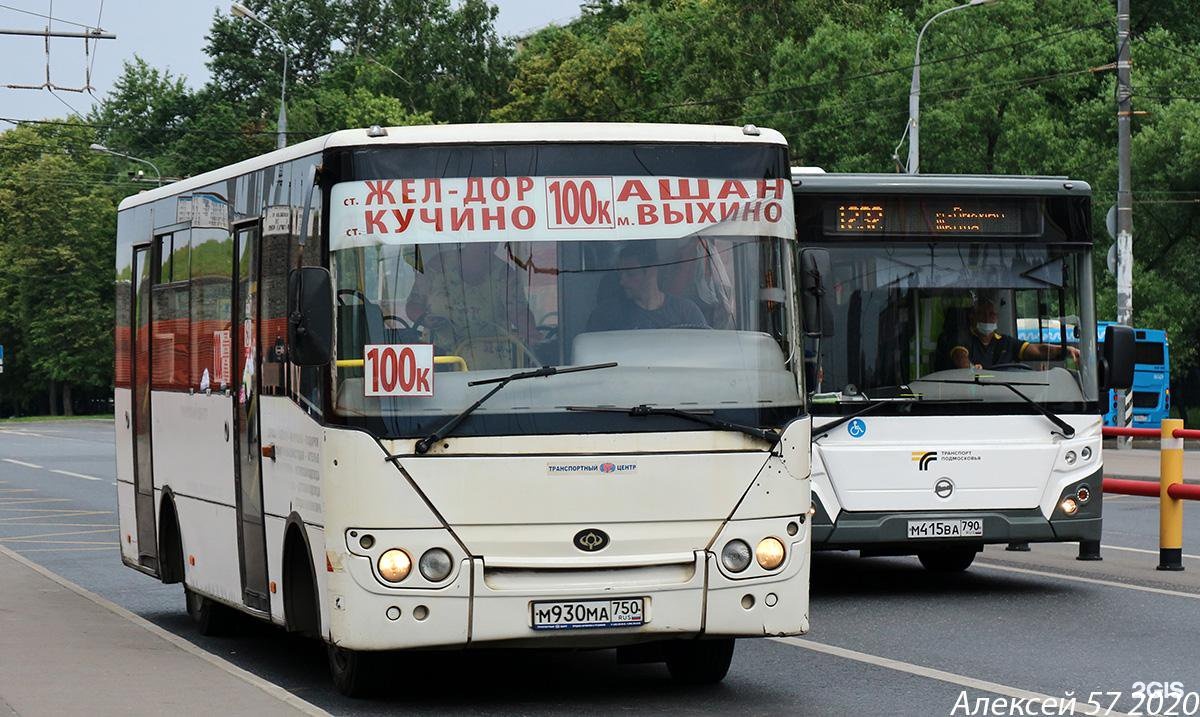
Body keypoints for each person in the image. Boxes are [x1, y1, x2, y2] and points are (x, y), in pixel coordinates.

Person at [406, 242, 536, 370]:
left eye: (492, 240)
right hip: (439, 364)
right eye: (481, 240)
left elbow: (520, 313)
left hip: (491, 371)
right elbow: (413, 305)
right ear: (468, 239)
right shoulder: (438, 265)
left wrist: (532, 335)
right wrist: (425, 319)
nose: (487, 244)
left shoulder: (504, 274)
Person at [587, 243, 709, 332]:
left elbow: (704, 350)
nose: (622, 282)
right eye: (620, 275)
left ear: (651, 272)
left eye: (630, 274)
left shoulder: (686, 312)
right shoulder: (606, 315)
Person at [949, 297, 1080, 370]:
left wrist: (1065, 350)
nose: (987, 318)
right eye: (982, 314)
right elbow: (960, 357)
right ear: (972, 316)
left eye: (992, 314)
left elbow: (1038, 350)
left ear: (997, 318)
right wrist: (970, 370)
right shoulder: (961, 338)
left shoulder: (1006, 342)